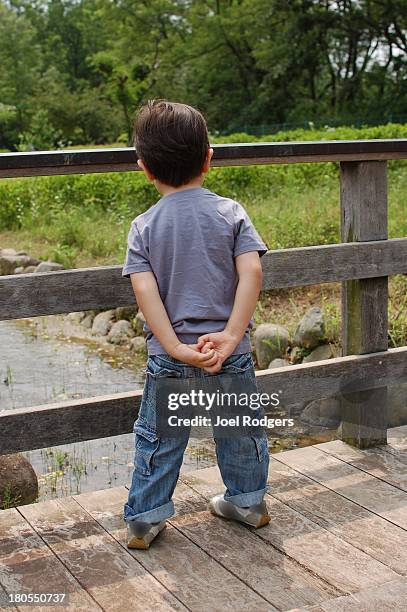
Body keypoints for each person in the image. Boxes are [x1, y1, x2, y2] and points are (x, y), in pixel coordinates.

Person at [122, 99, 270, 549]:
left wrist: (176, 348)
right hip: (230, 352)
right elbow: (253, 273)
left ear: (145, 168)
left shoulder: (143, 227)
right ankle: (246, 502)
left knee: (161, 437)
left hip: (172, 356)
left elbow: (146, 294)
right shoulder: (231, 212)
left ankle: (146, 518)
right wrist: (229, 335)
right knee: (239, 431)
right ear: (209, 157)